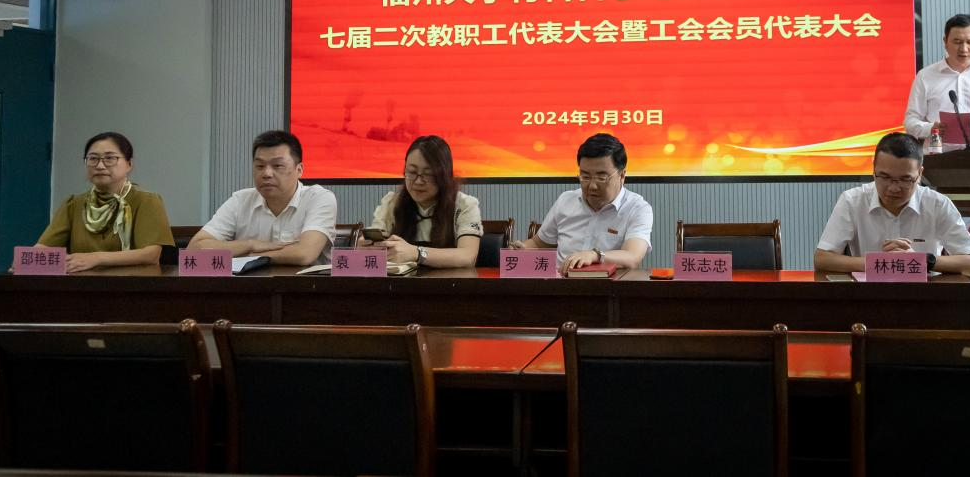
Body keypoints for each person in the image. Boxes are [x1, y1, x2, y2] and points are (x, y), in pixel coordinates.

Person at [813, 132, 970, 277]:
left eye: (905, 179)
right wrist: (881, 264)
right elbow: (822, 259)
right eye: (885, 177)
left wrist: (921, 261)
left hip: (925, 297)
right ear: (873, 170)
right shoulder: (852, 200)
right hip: (869, 297)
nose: (894, 188)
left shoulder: (938, 204)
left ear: (920, 174)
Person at [510, 133, 652, 275]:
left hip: (607, 286)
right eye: (585, 176)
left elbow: (632, 256)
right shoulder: (566, 201)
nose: (592, 186)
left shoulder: (637, 208)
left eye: (601, 178)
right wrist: (521, 249)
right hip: (560, 284)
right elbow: (539, 243)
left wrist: (595, 255)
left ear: (622, 175)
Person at [189, 130, 336, 266]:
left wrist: (248, 257)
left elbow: (304, 254)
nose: (267, 174)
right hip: (249, 285)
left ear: (299, 170)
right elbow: (194, 249)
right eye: (260, 166)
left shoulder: (319, 198)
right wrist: (250, 244)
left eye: (277, 166)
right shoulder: (240, 200)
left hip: (306, 285)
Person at [36, 132, 173, 273]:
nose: (100, 165)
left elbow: (150, 255)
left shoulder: (146, 200)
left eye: (110, 158)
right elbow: (42, 250)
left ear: (129, 164)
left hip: (132, 283)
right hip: (79, 283)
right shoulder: (73, 204)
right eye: (93, 159)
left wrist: (96, 258)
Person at [362, 135, 482, 268]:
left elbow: (467, 256)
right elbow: (376, 241)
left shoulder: (464, 205)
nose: (418, 181)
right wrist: (367, 247)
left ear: (445, 175)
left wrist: (417, 253)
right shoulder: (392, 203)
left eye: (428, 174)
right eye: (412, 172)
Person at [904, 13, 970, 148]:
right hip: (938, 154)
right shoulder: (925, 76)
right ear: (945, 42)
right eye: (957, 42)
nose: (964, 49)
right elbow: (910, 121)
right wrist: (930, 128)